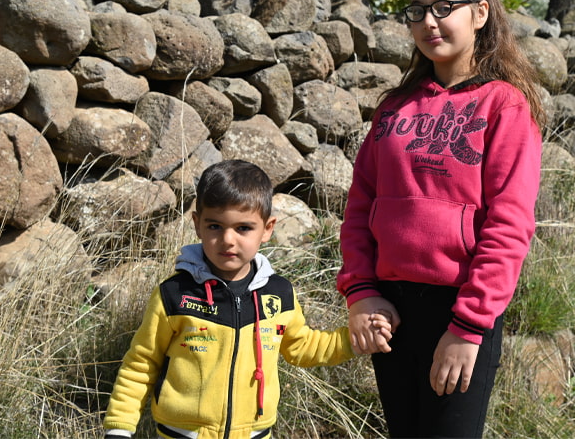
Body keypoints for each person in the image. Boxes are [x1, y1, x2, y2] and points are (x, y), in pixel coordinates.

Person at [337, 0, 545, 438]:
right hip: (388, 311)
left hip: (459, 311)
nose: (429, 21)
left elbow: (509, 225)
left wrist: (468, 327)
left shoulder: (505, 106)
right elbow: (359, 209)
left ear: (480, 13)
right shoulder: (393, 108)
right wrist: (361, 292)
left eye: (444, 7)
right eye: (417, 11)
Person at [104, 159, 392, 439]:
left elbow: (303, 347)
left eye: (243, 228)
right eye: (215, 226)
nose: (228, 239)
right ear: (197, 224)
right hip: (182, 434)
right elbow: (141, 364)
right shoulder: (174, 294)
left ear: (267, 229)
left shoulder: (279, 294)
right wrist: (119, 428)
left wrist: (356, 339)